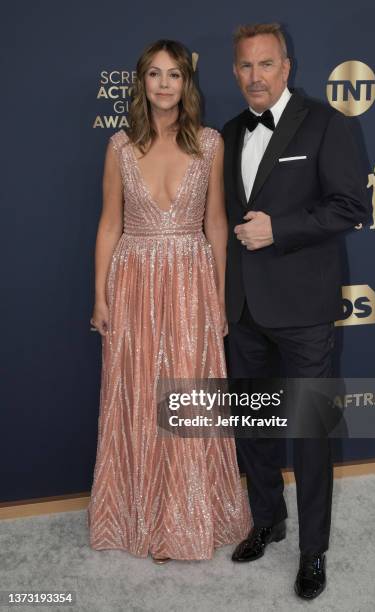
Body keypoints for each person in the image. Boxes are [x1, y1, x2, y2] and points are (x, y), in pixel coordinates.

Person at [87, 39, 252, 563]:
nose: (164, 84)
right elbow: (110, 222)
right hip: (133, 280)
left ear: (187, 83)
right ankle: (144, 515)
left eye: (174, 74)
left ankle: (185, 516)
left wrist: (220, 299)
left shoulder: (209, 143)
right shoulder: (118, 146)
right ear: (142, 82)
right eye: (155, 74)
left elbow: (217, 224)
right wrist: (100, 296)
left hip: (190, 279)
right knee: (137, 393)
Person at [221, 23, 368, 598]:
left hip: (305, 309)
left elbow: (351, 206)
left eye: (265, 64)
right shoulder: (229, 132)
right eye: (244, 66)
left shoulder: (329, 123)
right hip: (244, 309)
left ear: (287, 67)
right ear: (235, 73)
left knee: (310, 434)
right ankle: (267, 520)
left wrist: (279, 230)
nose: (255, 76)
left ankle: (313, 552)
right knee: (254, 427)